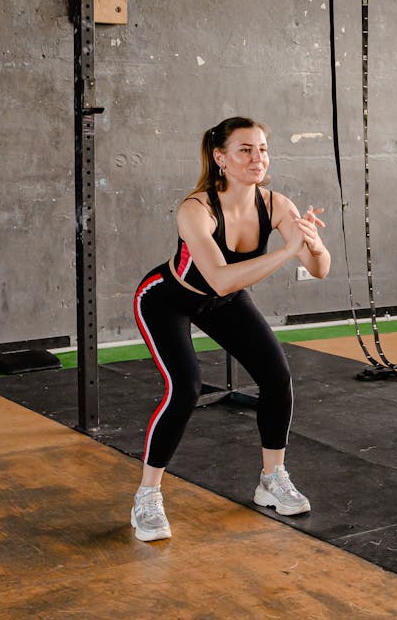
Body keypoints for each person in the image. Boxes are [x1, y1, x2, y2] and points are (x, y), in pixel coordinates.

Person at [129, 117, 331, 541]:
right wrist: (288, 250)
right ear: (220, 158)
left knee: (276, 378)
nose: (257, 158)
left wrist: (309, 244)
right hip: (167, 300)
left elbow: (320, 269)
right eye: (245, 150)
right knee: (185, 387)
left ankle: (271, 480)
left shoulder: (275, 204)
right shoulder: (196, 208)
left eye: (262, 149)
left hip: (224, 300)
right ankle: (147, 497)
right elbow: (220, 277)